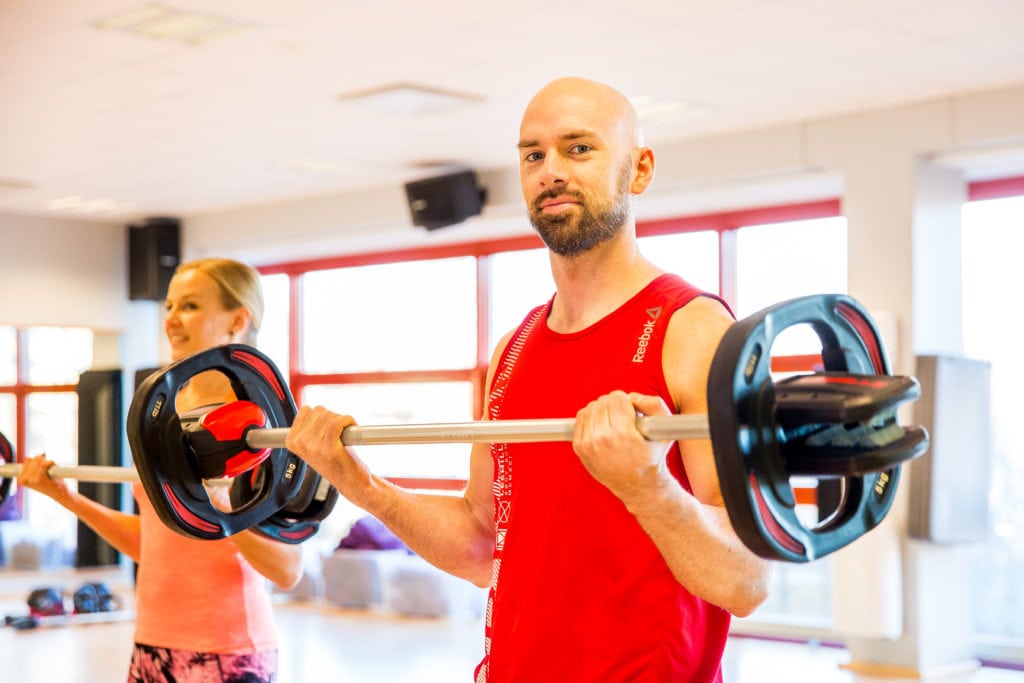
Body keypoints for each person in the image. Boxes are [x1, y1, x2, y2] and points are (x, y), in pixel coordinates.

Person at [284, 76, 771, 682]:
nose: (551, 171)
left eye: (579, 148)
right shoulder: (512, 350)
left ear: (639, 169)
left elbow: (746, 580)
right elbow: (480, 541)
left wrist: (648, 486)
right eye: (533, 155)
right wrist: (360, 485)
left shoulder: (691, 329)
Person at [18, 258, 302, 683]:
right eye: (168, 307)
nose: (170, 320)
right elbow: (158, 542)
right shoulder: (168, 418)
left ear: (237, 319)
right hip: (153, 644)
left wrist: (216, 507)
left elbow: (288, 570)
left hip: (227, 653)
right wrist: (66, 498)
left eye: (188, 306)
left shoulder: (263, 427)